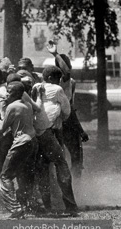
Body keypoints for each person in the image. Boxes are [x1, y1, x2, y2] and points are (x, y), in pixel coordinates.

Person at [31, 66, 78, 216]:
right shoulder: (57, 89)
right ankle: (70, 205)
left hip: (36, 132)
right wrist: (60, 118)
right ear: (52, 78)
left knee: (42, 168)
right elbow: (66, 110)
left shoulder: (36, 87)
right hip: (50, 132)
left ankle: (48, 206)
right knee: (61, 165)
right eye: (57, 79)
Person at [0, 81, 38, 219]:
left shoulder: (12, 106)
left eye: (9, 91)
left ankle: (15, 208)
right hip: (32, 142)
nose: (6, 94)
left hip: (21, 143)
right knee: (24, 174)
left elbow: (1, 128)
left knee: (5, 176)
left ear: (15, 93)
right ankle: (26, 204)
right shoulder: (26, 105)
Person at [47, 41, 89, 178]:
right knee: (59, 156)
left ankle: (76, 183)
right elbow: (66, 72)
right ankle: (61, 183)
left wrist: (79, 129)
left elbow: (70, 106)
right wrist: (55, 53)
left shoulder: (70, 83)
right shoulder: (56, 81)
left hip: (68, 119)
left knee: (76, 155)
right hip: (56, 121)